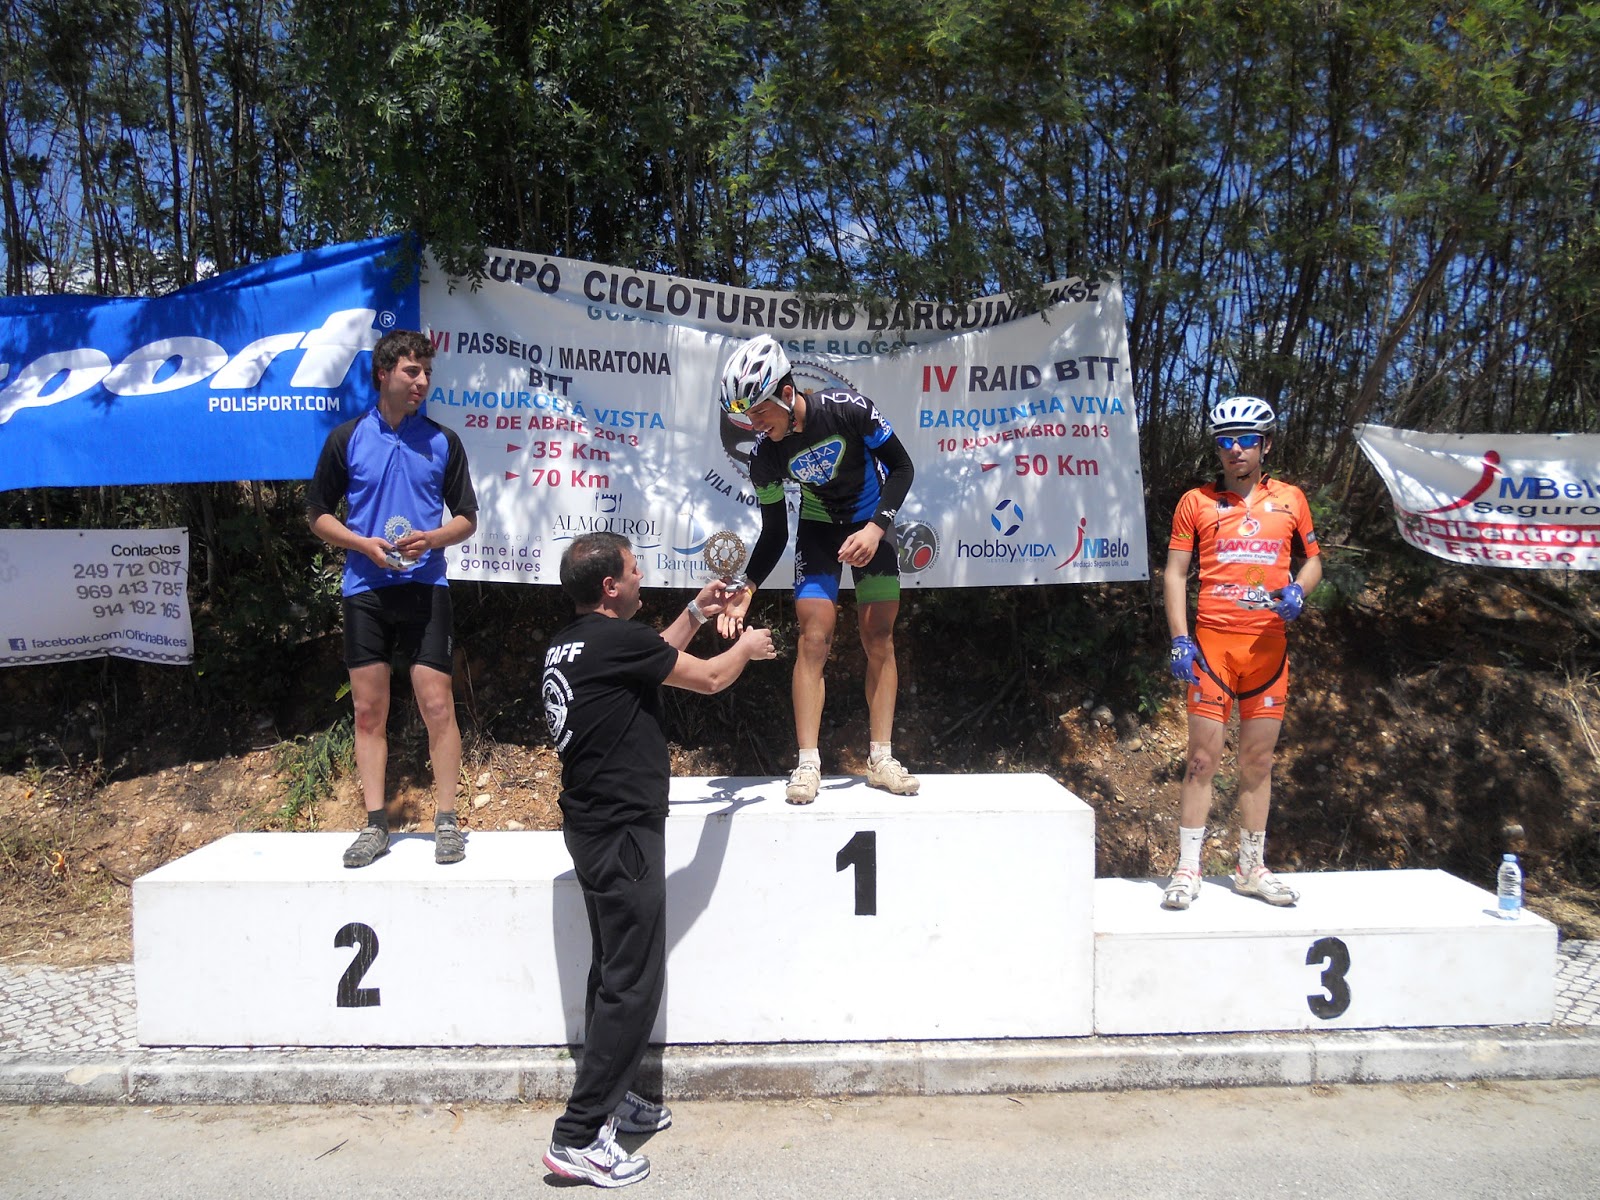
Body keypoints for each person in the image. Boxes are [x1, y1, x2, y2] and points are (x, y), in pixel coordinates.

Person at [540, 531, 775, 1188]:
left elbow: (655, 656)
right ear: (610, 585)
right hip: (622, 831)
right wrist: (746, 648)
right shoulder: (616, 642)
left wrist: (697, 612)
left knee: (611, 971)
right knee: (633, 984)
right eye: (634, 569)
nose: (642, 576)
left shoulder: (575, 642)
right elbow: (708, 679)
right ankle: (577, 1136)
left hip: (593, 827)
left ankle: (611, 1098)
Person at [714, 334, 919, 805]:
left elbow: (902, 468)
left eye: (759, 413)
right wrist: (748, 585)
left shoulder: (848, 409)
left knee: (878, 637)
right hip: (819, 530)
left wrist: (875, 529)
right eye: (745, 417)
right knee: (813, 639)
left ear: (787, 393)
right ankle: (807, 763)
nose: (753, 425)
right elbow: (774, 533)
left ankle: (881, 759)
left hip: (872, 524)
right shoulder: (765, 456)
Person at [306, 328, 478, 869]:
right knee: (368, 711)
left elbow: (468, 519)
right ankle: (375, 824)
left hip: (426, 588)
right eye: (411, 371)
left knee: (437, 706)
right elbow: (317, 515)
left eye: (427, 373)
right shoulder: (347, 438)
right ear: (383, 374)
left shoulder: (443, 441)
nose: (422, 381)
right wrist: (362, 544)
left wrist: (433, 538)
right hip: (366, 590)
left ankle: (446, 821)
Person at [1161, 395, 1322, 910]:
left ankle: (1251, 868)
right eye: (1225, 441)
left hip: (1267, 650)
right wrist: (1180, 638)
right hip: (1213, 648)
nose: (1236, 450)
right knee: (1201, 759)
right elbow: (1175, 574)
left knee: (1258, 761)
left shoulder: (1291, 499)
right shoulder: (1196, 502)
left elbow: (1314, 561)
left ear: (1265, 444)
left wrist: (1299, 590)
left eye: (1246, 440)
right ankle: (1188, 868)